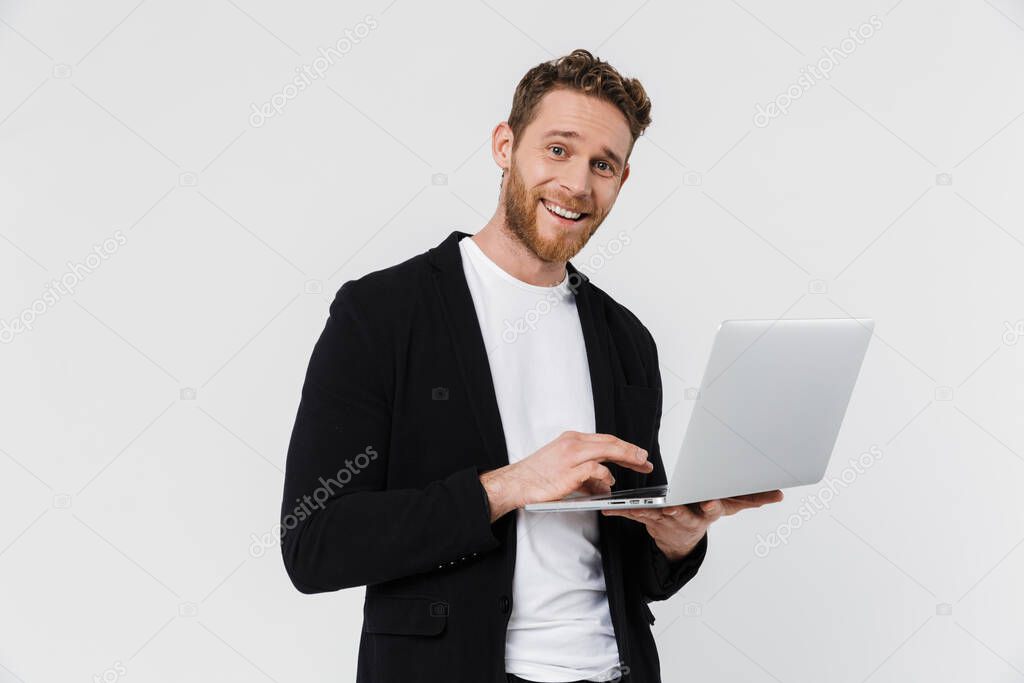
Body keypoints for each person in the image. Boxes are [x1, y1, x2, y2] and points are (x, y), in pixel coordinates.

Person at [280, 48, 782, 683]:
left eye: (603, 164)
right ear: (504, 145)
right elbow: (315, 544)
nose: (577, 184)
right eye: (557, 149)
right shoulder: (382, 313)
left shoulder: (625, 338)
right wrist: (510, 486)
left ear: (622, 181)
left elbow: (637, 577)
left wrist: (678, 537)